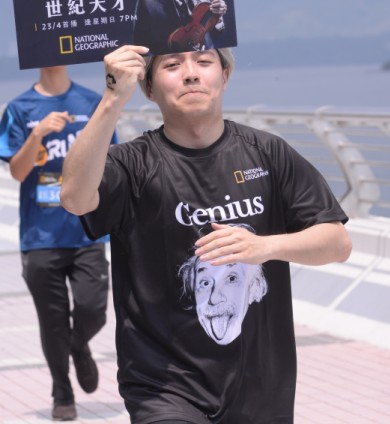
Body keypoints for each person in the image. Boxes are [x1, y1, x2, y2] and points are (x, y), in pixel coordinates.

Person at [60, 45, 352, 424]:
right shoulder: (131, 164)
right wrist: (113, 98)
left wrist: (264, 246)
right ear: (149, 88)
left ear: (224, 76)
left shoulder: (267, 153)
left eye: (203, 61)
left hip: (261, 388)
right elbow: (75, 198)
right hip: (162, 386)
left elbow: (337, 243)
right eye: (172, 65)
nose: (191, 73)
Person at [0, 66, 117, 422]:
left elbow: (109, 162)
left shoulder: (92, 103)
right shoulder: (19, 108)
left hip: (85, 230)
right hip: (40, 237)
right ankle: (61, 392)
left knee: (93, 309)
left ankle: (78, 345)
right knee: (52, 322)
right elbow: (17, 172)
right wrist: (38, 133)